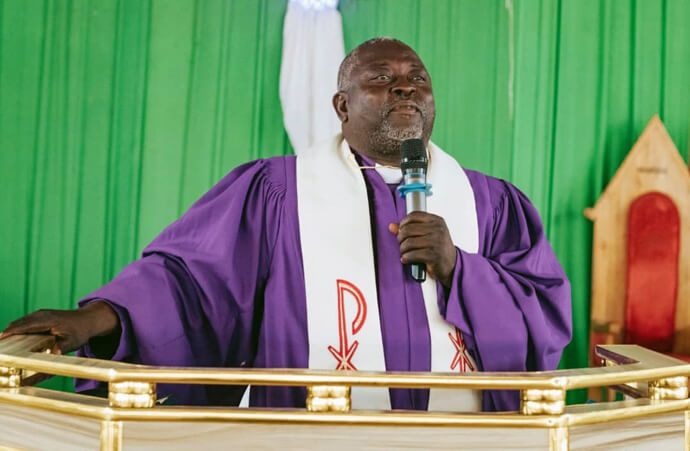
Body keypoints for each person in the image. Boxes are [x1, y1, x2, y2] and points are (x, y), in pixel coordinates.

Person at [0, 37, 571, 412]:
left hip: (461, 442)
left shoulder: (491, 203)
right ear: (342, 107)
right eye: (380, 79)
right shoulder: (275, 192)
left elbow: (543, 313)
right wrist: (97, 319)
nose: (404, 87)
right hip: (309, 438)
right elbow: (189, 285)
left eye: (416, 78)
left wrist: (459, 268)